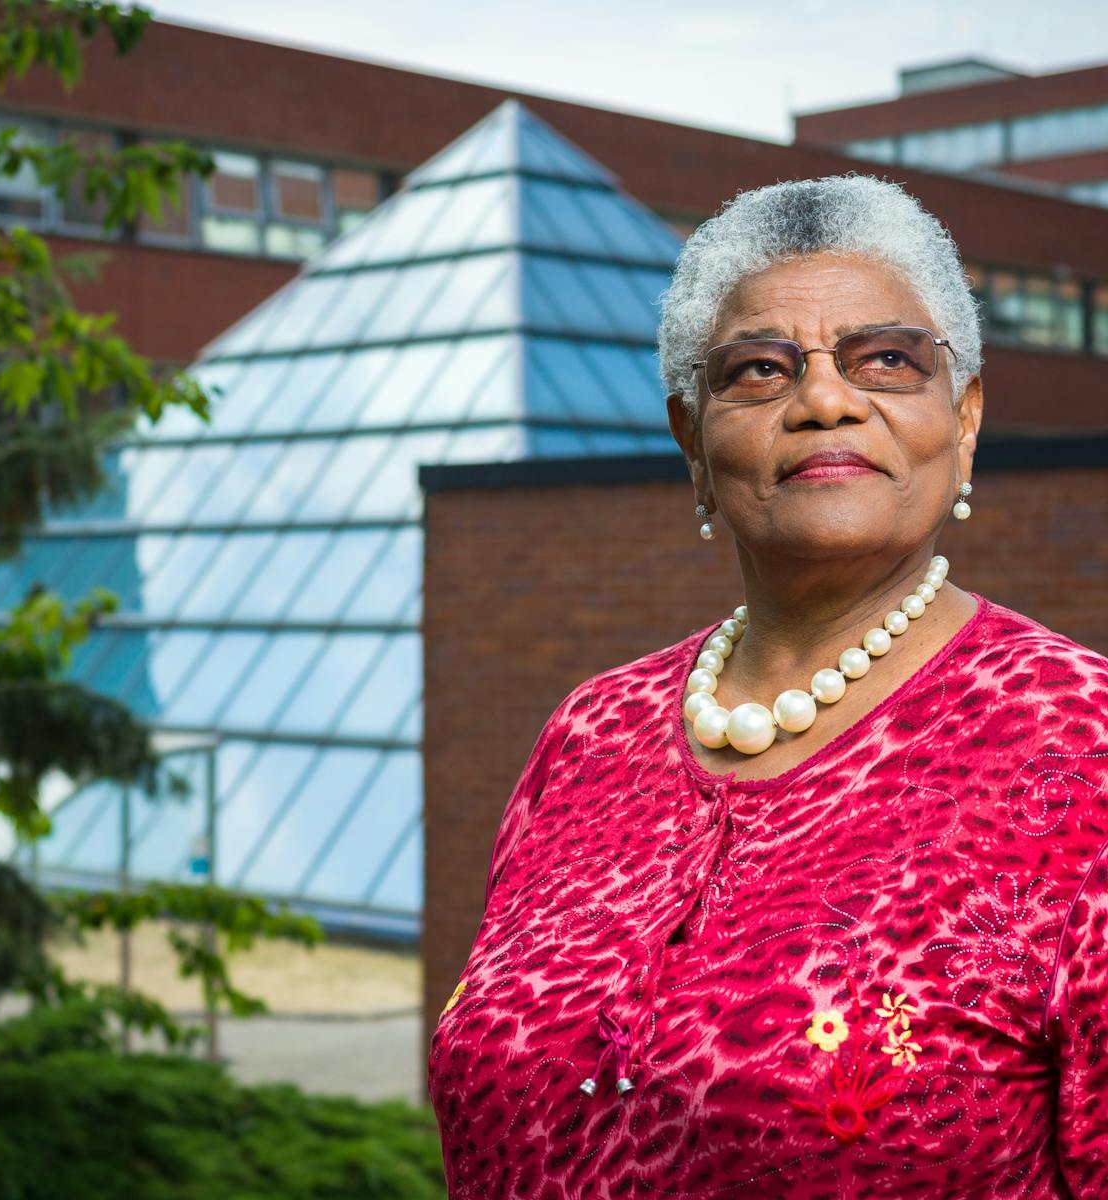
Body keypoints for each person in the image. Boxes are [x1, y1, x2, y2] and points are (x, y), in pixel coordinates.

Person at [426, 174, 1108, 1198]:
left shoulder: (1082, 742)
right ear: (691, 438)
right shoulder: (588, 734)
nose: (825, 400)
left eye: (886, 359)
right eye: (759, 369)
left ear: (962, 420)